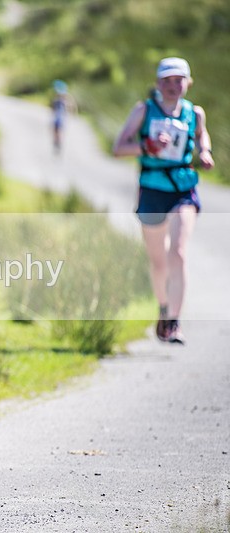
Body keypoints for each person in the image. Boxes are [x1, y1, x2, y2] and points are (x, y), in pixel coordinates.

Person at [112, 57, 214, 344]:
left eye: (178, 80)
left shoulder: (195, 113)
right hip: (152, 188)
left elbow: (201, 134)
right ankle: (163, 306)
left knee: (178, 253)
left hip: (183, 188)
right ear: (157, 84)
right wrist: (148, 146)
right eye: (167, 81)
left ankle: (174, 323)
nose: (172, 86)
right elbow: (118, 147)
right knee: (159, 262)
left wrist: (204, 152)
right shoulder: (144, 111)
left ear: (187, 83)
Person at [50, 79, 77, 154]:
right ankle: (57, 143)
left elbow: (53, 107)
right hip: (60, 117)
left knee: (56, 130)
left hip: (59, 117)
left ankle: (57, 143)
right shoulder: (64, 98)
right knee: (57, 130)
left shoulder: (59, 98)